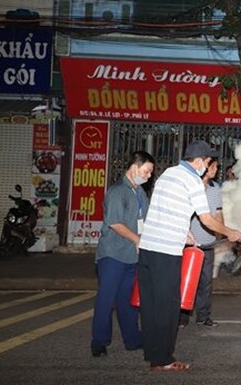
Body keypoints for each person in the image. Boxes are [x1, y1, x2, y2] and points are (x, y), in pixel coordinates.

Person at [138, 140, 241, 372]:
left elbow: (164, 207)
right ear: (197, 161)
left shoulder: (168, 173)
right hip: (166, 251)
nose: (207, 167)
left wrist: (183, 231)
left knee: (151, 304)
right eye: (207, 162)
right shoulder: (193, 181)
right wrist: (230, 232)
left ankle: (152, 352)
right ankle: (163, 360)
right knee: (168, 306)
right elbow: (206, 219)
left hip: (147, 248)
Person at [90, 151, 155, 358]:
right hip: (113, 254)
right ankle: (99, 342)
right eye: (147, 171)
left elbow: (147, 220)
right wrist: (138, 240)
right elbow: (115, 223)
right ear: (135, 167)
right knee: (106, 300)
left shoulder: (141, 193)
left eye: (151, 173)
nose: (148, 176)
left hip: (131, 256)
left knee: (127, 301)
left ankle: (133, 340)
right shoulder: (118, 191)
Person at [179, 156, 223, 328]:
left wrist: (221, 231)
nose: (216, 170)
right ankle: (182, 317)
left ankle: (203, 316)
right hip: (189, 244)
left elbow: (218, 213)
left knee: (206, 283)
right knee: (187, 281)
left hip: (208, 244)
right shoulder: (191, 187)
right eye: (213, 167)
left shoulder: (216, 189)